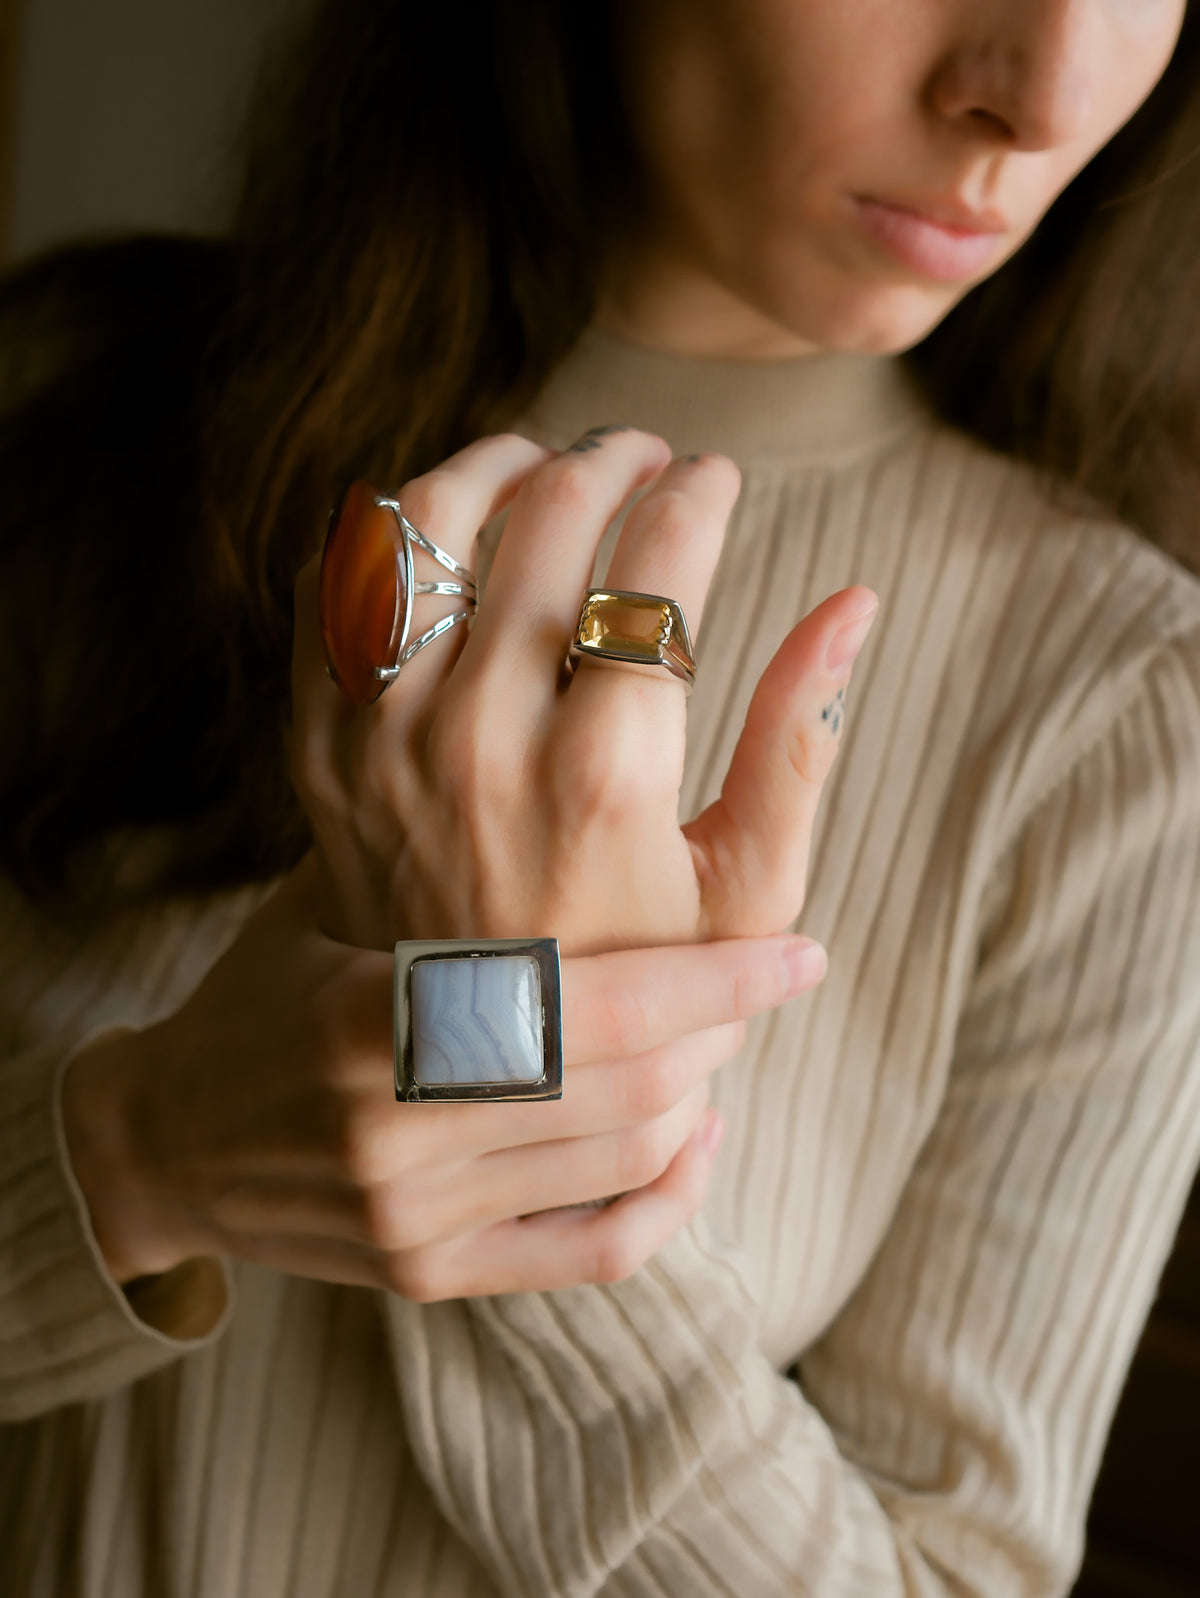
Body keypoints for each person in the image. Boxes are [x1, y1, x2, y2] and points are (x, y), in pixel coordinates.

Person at [1, 1, 1198, 1594]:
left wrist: (531, 1124)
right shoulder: (72, 415)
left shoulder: (1117, 704)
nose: (1040, 95)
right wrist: (139, 1150)